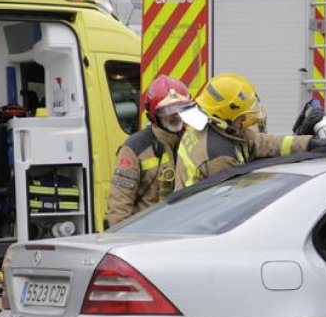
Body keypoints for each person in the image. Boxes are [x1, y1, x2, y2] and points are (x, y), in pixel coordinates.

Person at [174, 73, 299, 189]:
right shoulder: (219, 154)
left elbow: (266, 142)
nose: (244, 119)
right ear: (225, 114)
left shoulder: (205, 125)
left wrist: (307, 143)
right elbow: (235, 197)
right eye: (240, 115)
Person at [105, 75, 195, 227]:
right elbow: (120, 204)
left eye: (180, 108)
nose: (176, 115)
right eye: (168, 110)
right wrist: (123, 237)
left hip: (185, 230)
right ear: (153, 114)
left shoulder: (192, 142)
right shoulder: (135, 148)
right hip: (147, 233)